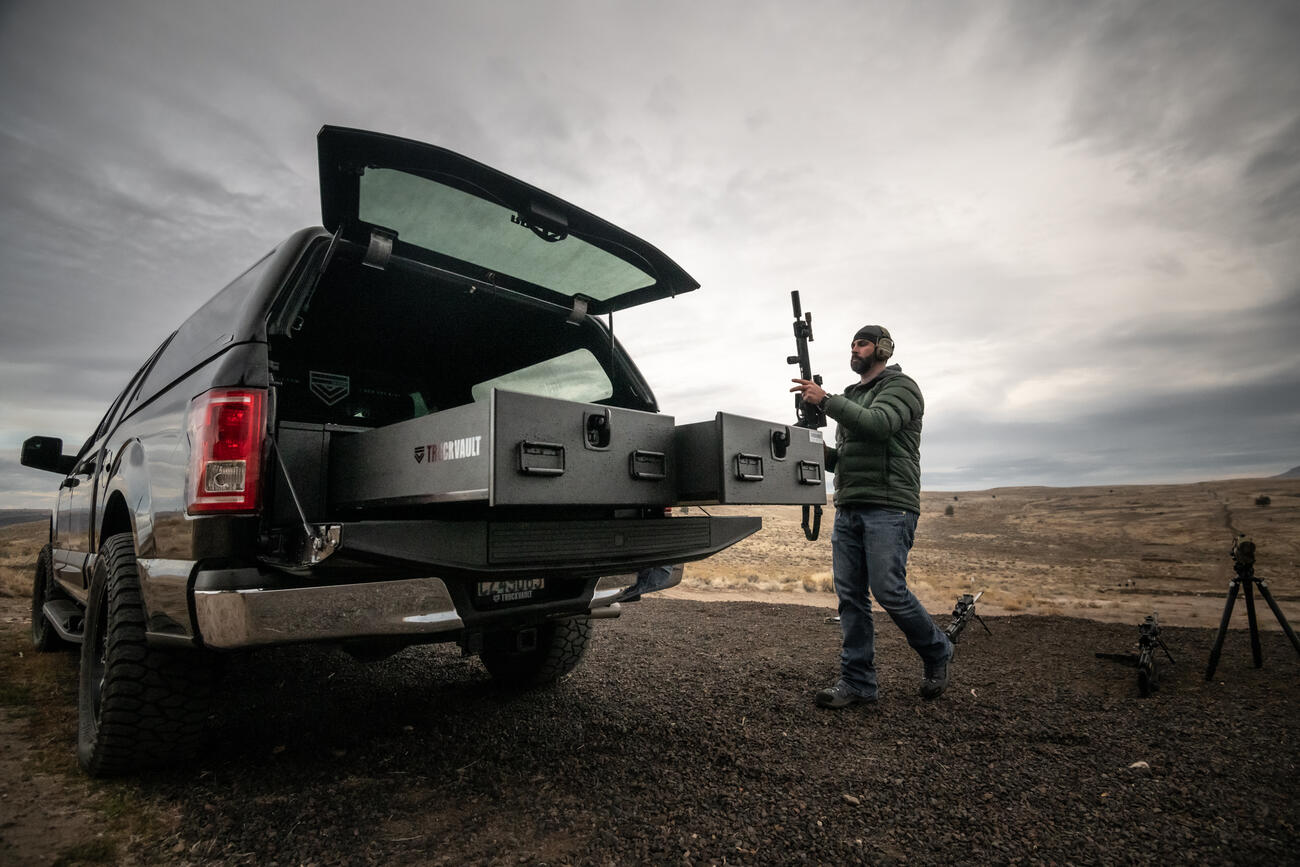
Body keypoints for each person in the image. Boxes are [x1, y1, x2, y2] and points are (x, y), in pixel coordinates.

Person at [791, 325, 952, 708]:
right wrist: (807, 443)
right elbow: (845, 460)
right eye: (852, 344)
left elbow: (879, 425)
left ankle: (937, 649)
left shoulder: (902, 387)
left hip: (888, 506)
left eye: (862, 343)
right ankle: (858, 682)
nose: (855, 349)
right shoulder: (852, 397)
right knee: (850, 597)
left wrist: (826, 400)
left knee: (888, 591)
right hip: (849, 505)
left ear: (882, 348)